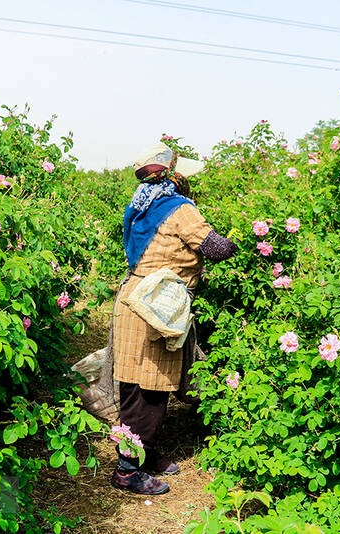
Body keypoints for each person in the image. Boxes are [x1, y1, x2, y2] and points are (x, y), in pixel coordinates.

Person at [111, 143, 238, 495]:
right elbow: (216, 248)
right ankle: (127, 471)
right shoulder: (180, 209)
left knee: (143, 384)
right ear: (175, 177)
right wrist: (241, 239)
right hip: (155, 307)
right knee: (146, 390)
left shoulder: (140, 205)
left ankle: (145, 454)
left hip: (135, 298)